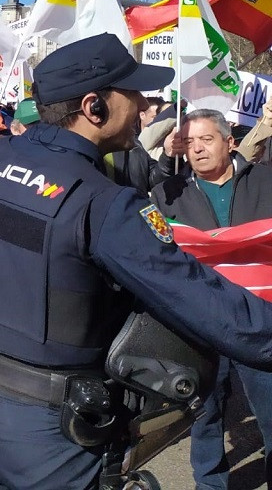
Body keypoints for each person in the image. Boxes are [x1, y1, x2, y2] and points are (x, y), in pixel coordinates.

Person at [0, 33, 272, 488]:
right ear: (93, 106)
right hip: (54, 433)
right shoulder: (104, 204)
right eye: (132, 92)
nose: (144, 104)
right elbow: (208, 305)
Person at [150, 109, 272, 489]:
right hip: (201, 325)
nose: (197, 150)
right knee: (204, 416)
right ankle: (209, 483)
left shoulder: (267, 182)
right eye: (189, 143)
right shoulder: (168, 194)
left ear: (230, 142)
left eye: (206, 140)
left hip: (259, 321)